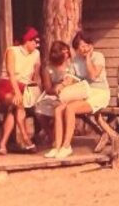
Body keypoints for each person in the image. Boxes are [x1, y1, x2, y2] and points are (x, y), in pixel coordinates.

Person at [47, 30, 111, 159]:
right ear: (76, 48)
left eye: (87, 45)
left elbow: (93, 75)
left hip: (99, 92)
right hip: (84, 92)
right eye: (82, 46)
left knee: (70, 108)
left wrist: (87, 58)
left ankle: (66, 146)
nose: (85, 48)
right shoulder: (75, 60)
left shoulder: (98, 56)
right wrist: (62, 85)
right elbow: (70, 78)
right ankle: (57, 146)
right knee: (59, 109)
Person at [0, 27, 41, 154]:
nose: (37, 44)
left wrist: (35, 89)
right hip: (7, 84)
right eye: (35, 41)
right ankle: (25, 138)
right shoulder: (12, 51)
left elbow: (35, 75)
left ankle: (3, 144)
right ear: (27, 41)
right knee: (18, 103)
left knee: (13, 109)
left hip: (24, 87)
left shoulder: (36, 54)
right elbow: (11, 73)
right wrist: (17, 92)